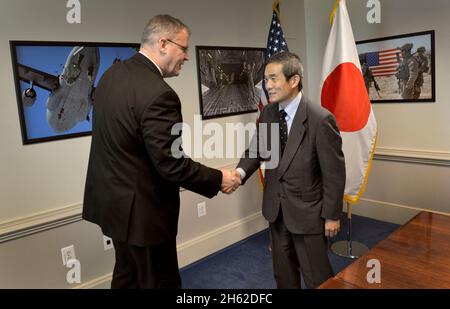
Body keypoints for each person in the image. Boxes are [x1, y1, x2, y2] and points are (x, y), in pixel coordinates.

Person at [82, 14, 240, 289]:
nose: (187, 57)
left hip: (112, 207)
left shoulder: (111, 76)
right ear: (164, 43)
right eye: (184, 48)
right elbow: (172, 164)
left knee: (127, 276)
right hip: (144, 216)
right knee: (159, 281)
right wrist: (219, 178)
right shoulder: (160, 94)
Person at [235, 51, 345, 289]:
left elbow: (334, 173)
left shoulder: (320, 119)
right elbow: (257, 150)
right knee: (283, 277)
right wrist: (239, 174)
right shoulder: (268, 113)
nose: (268, 85)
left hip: (309, 214)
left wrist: (333, 215)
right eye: (265, 80)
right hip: (276, 211)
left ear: (294, 80)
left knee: (318, 278)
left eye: (273, 79)